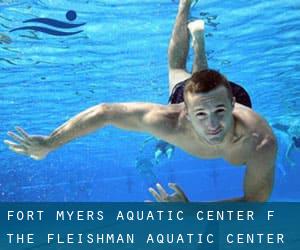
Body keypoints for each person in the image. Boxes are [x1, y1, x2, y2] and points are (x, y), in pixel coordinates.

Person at [4, 0, 277, 202]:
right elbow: (105, 112)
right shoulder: (170, 120)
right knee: (177, 71)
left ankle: (199, 43)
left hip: (224, 99)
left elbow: (255, 202)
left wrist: (192, 211)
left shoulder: (260, 140)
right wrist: (50, 142)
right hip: (202, 97)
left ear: (232, 105)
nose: (214, 124)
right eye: (201, 115)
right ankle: (185, 6)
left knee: (187, 75)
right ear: (184, 110)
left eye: (220, 111)